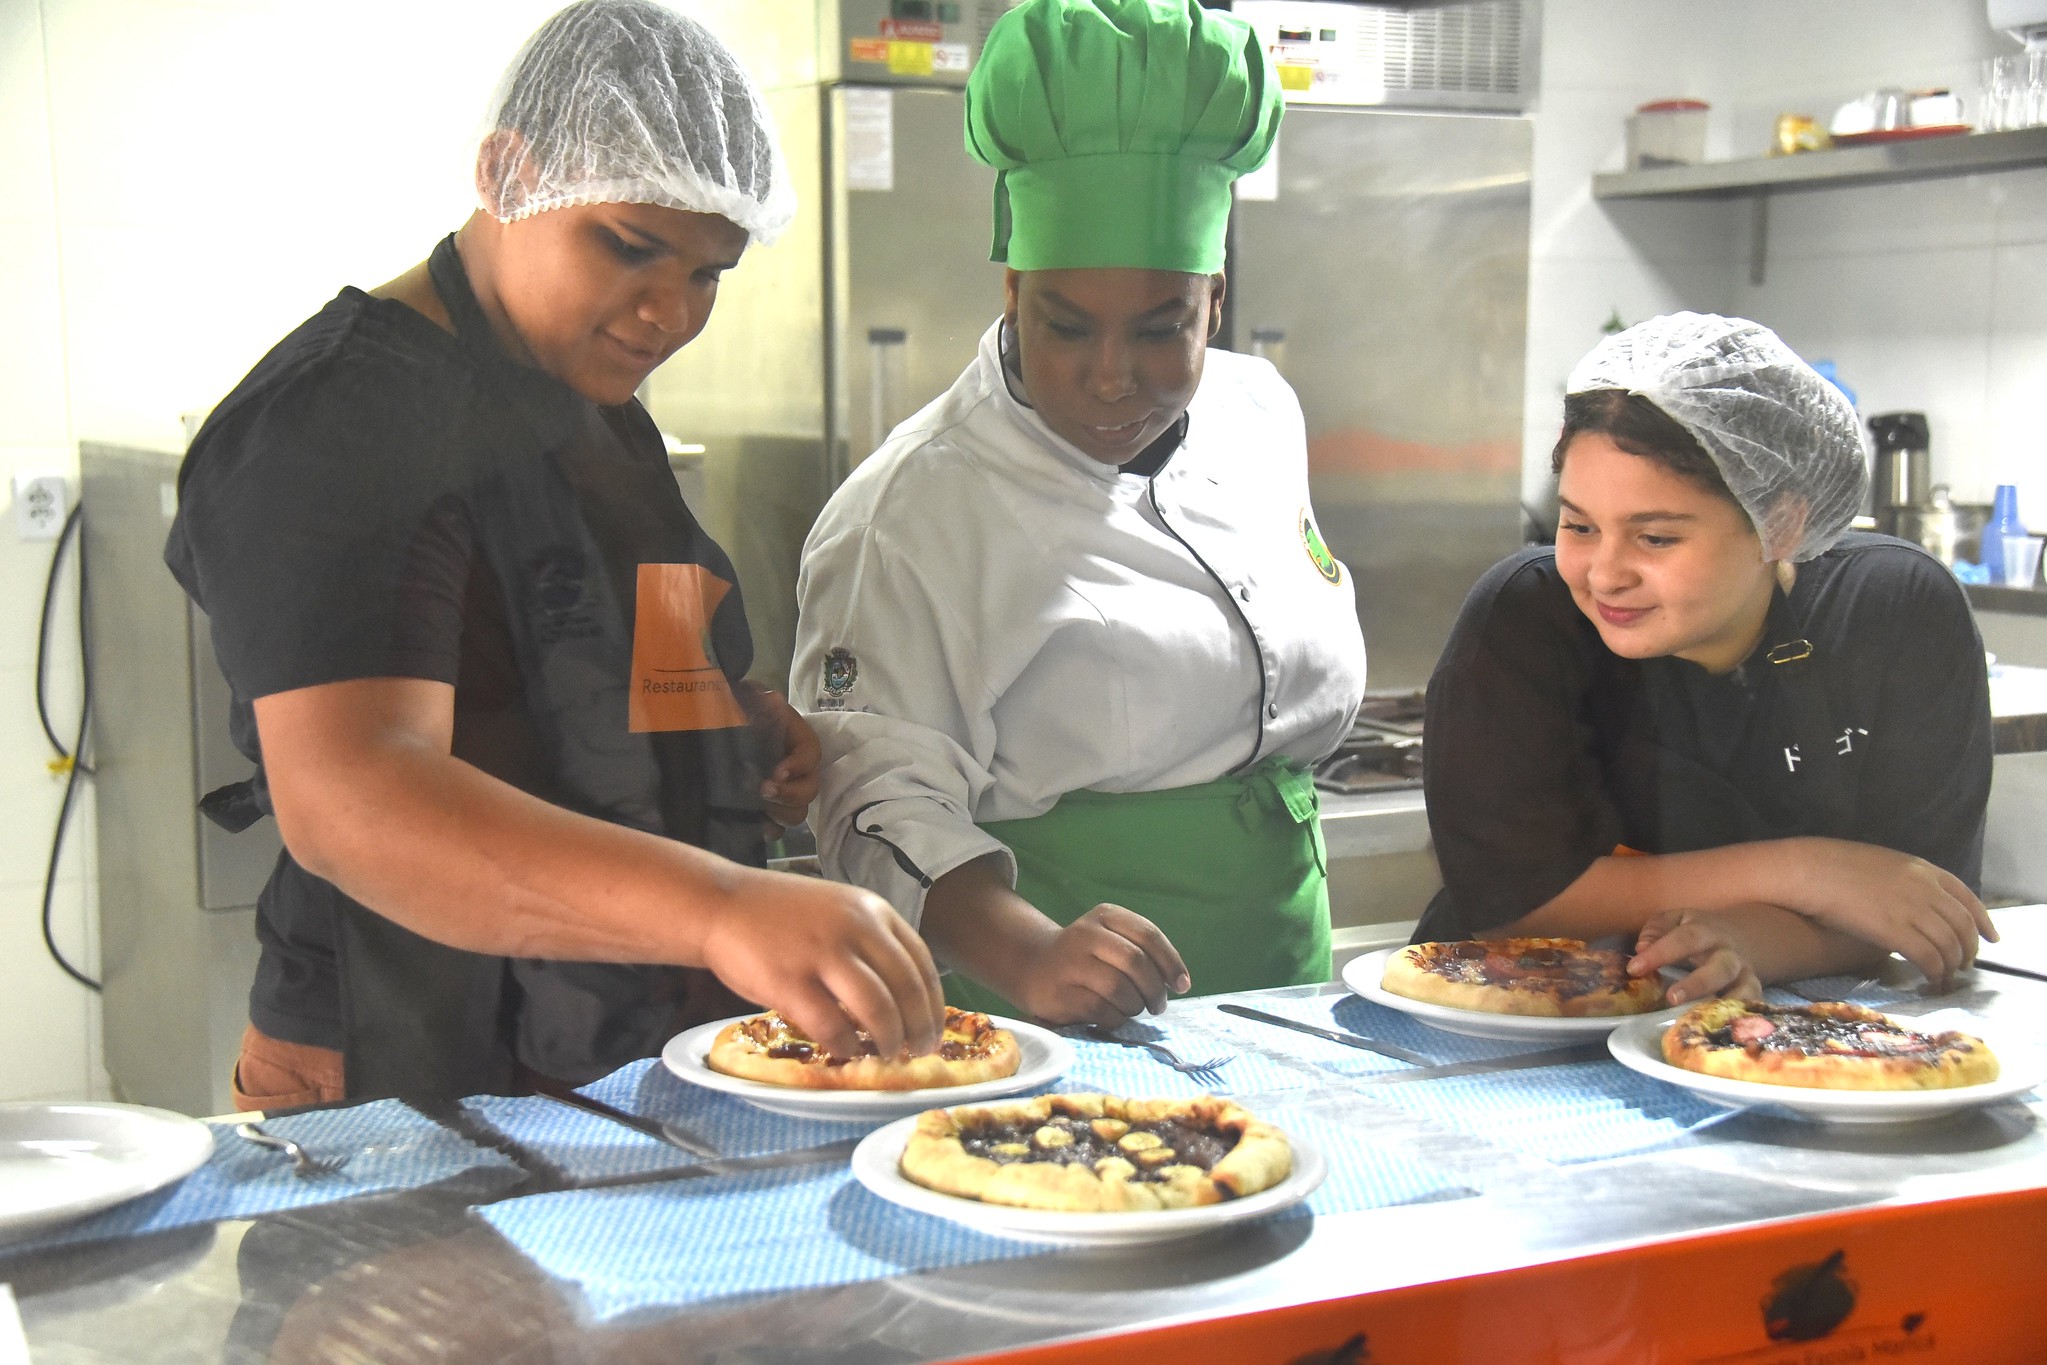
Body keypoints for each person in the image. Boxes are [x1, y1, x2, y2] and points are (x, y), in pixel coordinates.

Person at [166, 0, 942, 1107]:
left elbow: (624, 655)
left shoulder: (594, 405)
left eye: (708, 272)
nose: (667, 313)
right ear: (503, 172)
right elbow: (355, 800)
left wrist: (729, 736)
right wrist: (721, 906)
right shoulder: (338, 422)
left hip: (621, 1041)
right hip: (410, 1061)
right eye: (629, 249)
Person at [791, 0, 1368, 1027]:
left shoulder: (1258, 412)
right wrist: (1030, 954)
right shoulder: (912, 509)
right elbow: (870, 791)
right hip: (1048, 1005)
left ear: (1215, 299)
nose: (1112, 378)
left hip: (1288, 974)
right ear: (1013, 293)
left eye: (1161, 330)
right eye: (1065, 327)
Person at [1417, 312, 1997, 1004]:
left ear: (1779, 524)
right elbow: (1517, 897)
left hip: (1800, 1028)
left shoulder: (1894, 610)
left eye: (1655, 538)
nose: (1604, 574)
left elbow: (1915, 906)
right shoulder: (1526, 617)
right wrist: (1805, 870)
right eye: (1577, 525)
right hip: (1512, 1011)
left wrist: (1748, 941)